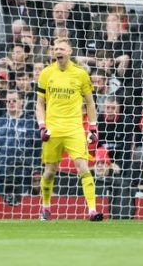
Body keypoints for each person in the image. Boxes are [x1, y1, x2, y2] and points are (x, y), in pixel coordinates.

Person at [36, 37, 103, 222]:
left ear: (70, 51)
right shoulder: (46, 73)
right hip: (53, 130)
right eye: (55, 49)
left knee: (83, 167)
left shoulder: (81, 74)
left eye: (62, 49)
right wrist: (41, 125)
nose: (58, 51)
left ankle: (92, 210)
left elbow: (90, 103)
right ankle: (46, 208)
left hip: (74, 129)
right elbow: (40, 103)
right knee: (50, 171)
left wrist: (93, 127)